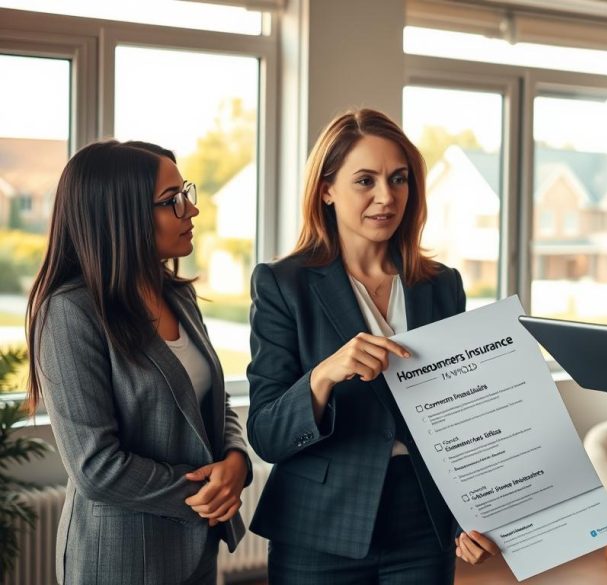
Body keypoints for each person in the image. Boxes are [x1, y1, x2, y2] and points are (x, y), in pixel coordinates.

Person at [246, 108, 497, 584]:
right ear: (326, 189)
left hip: (423, 520)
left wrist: (476, 510)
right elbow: (266, 433)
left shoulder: (442, 285)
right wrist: (323, 376)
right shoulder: (283, 285)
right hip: (320, 524)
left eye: (399, 179)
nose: (386, 197)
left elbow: (464, 414)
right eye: (365, 180)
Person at [26, 140, 251, 585]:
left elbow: (212, 402)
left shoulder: (179, 296)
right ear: (120, 215)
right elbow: (96, 468)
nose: (192, 211)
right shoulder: (70, 312)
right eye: (172, 201)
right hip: (120, 559)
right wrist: (205, 490)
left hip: (197, 550)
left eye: (185, 193)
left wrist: (236, 461)